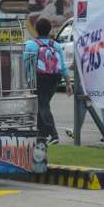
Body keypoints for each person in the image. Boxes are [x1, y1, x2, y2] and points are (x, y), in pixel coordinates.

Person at [24, 17, 71, 145]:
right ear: (49, 30)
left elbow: (25, 64)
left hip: (40, 78)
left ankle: (53, 134)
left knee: (42, 105)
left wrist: (26, 80)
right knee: (42, 104)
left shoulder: (31, 44)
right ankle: (41, 135)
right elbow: (63, 65)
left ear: (36, 30)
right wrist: (68, 83)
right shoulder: (55, 45)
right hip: (55, 78)